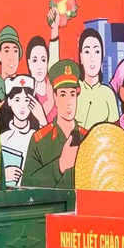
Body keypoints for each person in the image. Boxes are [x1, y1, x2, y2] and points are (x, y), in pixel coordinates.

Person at [22, 58, 88, 190]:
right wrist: (60, 165)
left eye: (72, 94)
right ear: (55, 97)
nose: (69, 102)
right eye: (63, 95)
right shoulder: (40, 140)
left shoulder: (87, 138)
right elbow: (27, 186)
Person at [75, 27, 121, 129]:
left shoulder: (108, 94)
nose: (92, 58)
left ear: (102, 56)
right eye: (87, 52)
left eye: (96, 52)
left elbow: (115, 132)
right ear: (81, 57)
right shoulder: (73, 90)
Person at [0, 76, 36, 187]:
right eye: (17, 100)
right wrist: (5, 175)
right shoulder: (3, 137)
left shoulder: (36, 135)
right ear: (9, 101)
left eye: (26, 100)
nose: (22, 106)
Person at [24, 34, 52, 128]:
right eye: (35, 60)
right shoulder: (24, 95)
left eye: (43, 60)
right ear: (29, 63)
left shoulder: (54, 93)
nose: (39, 66)